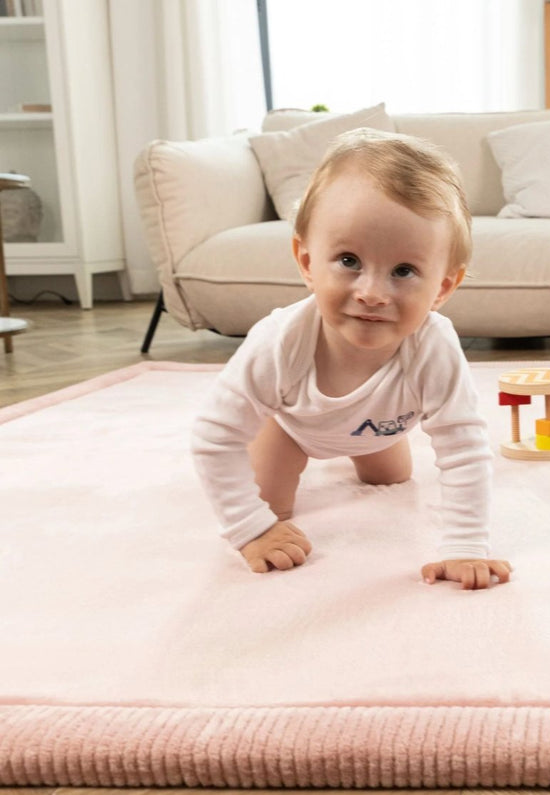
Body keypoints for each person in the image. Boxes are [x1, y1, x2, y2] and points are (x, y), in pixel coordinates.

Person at [192, 128, 512, 590]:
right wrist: (250, 529)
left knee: (393, 479)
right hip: (292, 427)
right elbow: (214, 437)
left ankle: (368, 445)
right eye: (348, 261)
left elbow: (463, 448)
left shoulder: (434, 346)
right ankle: (276, 445)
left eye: (404, 271)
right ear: (306, 261)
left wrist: (465, 546)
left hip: (382, 427)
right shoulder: (279, 342)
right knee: (274, 511)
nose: (372, 294)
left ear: (442, 287)